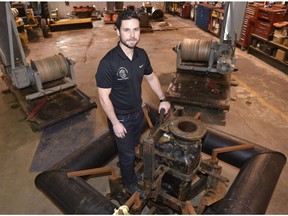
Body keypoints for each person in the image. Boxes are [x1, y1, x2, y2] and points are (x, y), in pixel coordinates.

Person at [95, 10, 170, 195]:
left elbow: (151, 78)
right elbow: (103, 98)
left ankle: (127, 160)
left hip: (138, 112)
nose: (132, 35)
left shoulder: (142, 55)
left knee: (134, 145)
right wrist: (115, 123)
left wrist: (163, 99)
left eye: (136, 30)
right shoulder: (108, 63)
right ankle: (129, 185)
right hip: (120, 117)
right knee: (128, 155)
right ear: (117, 32)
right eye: (127, 30)